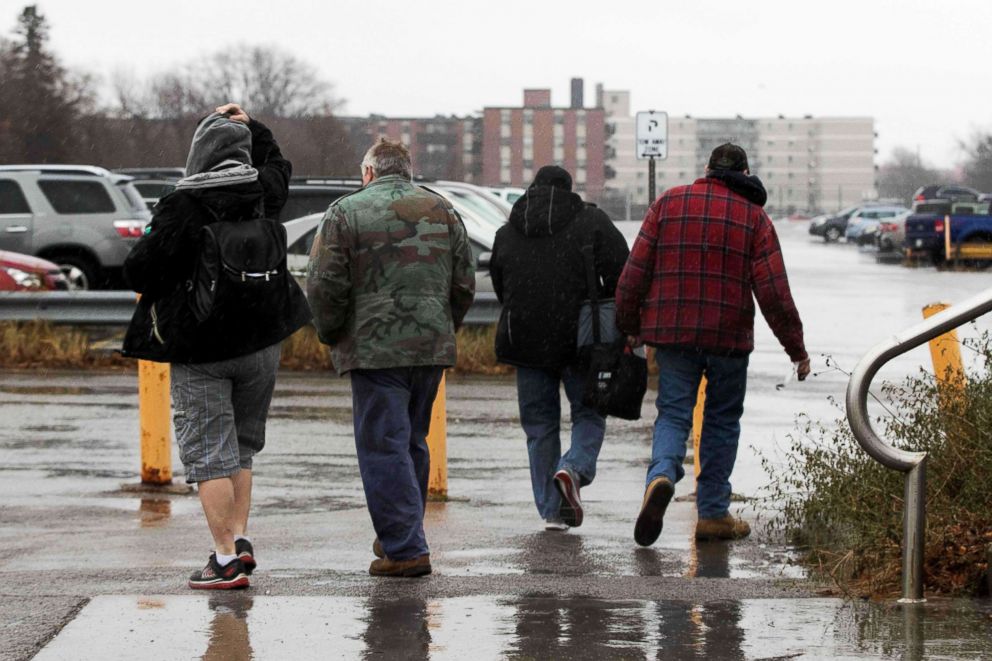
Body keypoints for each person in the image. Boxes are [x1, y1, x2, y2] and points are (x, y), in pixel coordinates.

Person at [122, 103, 311, 589]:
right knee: (243, 450)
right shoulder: (262, 193)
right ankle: (240, 537)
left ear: (198, 153)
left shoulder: (184, 205)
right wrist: (255, 127)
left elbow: (140, 271)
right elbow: (279, 167)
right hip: (262, 344)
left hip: (202, 349)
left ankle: (224, 560)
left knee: (210, 455)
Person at [615, 143, 810, 546]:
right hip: (728, 338)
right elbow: (774, 292)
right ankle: (713, 514)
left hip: (673, 334)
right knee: (721, 421)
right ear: (745, 172)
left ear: (707, 169)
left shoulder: (668, 203)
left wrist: (629, 326)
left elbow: (634, 272)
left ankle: (662, 475)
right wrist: (797, 350)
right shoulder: (753, 218)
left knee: (672, 414)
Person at [306, 138, 475, 577]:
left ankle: (405, 547)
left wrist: (330, 332)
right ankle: (401, 531)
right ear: (407, 169)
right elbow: (464, 281)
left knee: (383, 446)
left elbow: (324, 282)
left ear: (369, 173)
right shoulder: (443, 210)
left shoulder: (346, 212)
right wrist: (442, 326)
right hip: (430, 345)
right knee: (411, 442)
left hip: (375, 348)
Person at [490, 165, 629, 531]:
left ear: (532, 189)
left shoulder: (507, 231)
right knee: (589, 413)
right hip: (582, 340)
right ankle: (573, 468)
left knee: (539, 426)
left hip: (525, 341)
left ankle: (553, 513)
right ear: (570, 191)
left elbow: (501, 284)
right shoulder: (592, 223)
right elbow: (623, 274)